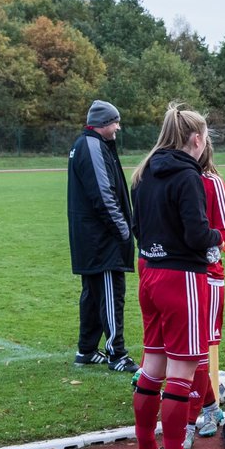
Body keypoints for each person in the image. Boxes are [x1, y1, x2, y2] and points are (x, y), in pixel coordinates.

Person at [129, 104, 224, 449]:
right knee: (182, 370)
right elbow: (198, 234)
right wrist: (215, 239)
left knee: (152, 367)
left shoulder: (144, 172)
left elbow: (136, 227)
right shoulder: (188, 176)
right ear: (196, 139)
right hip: (181, 277)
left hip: (150, 273)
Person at [67, 99, 137, 373]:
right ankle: (116, 354)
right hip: (101, 239)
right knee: (110, 293)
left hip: (92, 237)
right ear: (104, 124)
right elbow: (103, 193)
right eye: (115, 122)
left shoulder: (85, 144)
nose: (118, 127)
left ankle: (86, 349)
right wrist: (122, 230)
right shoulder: (92, 146)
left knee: (94, 294)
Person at [192, 136, 225, 438]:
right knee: (182, 349)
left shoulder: (211, 182)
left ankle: (201, 411)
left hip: (207, 274)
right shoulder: (166, 177)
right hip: (177, 272)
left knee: (199, 348)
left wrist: (202, 241)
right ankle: (209, 407)